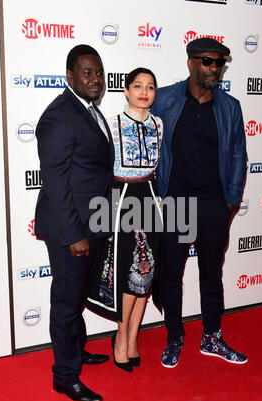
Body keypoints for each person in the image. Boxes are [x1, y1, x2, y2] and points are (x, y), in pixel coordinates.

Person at [150, 37, 248, 367]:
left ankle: (211, 337)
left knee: (211, 274)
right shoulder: (164, 99)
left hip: (212, 204)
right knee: (171, 276)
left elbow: (238, 156)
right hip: (176, 201)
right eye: (207, 61)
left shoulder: (230, 107)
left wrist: (230, 202)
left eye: (220, 62)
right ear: (190, 62)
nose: (214, 68)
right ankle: (174, 337)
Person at [34, 44, 115, 401]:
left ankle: (76, 350)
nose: (95, 79)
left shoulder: (89, 111)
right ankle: (65, 376)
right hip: (72, 230)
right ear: (70, 76)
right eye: (87, 72)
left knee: (78, 295)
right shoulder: (60, 116)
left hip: (91, 223)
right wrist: (74, 235)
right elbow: (54, 181)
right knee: (66, 302)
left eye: (98, 72)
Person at [86, 68, 163, 372]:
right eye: (138, 86)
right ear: (127, 91)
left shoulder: (159, 124)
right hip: (123, 199)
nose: (144, 91)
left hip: (152, 196)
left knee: (146, 274)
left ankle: (133, 338)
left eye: (150, 87)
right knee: (128, 271)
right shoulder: (112, 125)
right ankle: (120, 337)